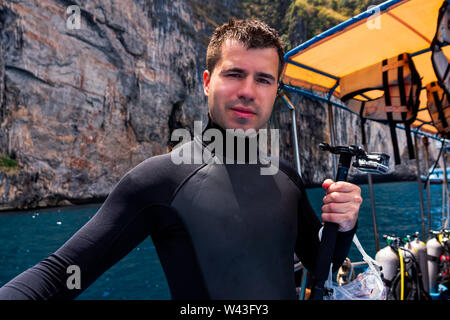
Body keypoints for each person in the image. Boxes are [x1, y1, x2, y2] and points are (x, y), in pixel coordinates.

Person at [0, 18, 361, 300]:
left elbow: (320, 266)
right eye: (234, 74)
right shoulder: (160, 180)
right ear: (207, 81)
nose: (248, 91)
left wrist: (344, 225)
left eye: (264, 80)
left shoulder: (286, 177)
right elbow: (57, 275)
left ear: (275, 91)